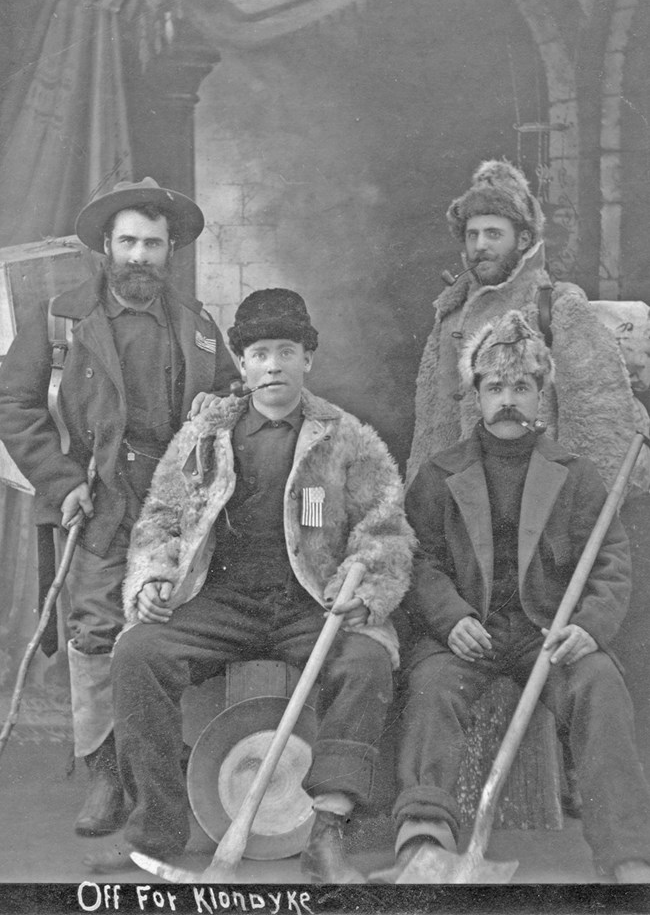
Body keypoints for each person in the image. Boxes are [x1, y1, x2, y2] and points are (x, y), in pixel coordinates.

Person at [83, 288, 415, 881]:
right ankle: (154, 831)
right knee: (137, 651)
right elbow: (162, 516)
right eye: (259, 353)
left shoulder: (346, 438)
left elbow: (385, 527)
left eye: (287, 350)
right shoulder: (205, 437)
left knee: (366, 661)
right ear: (241, 364)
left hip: (309, 604)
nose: (273, 365)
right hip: (220, 603)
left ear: (308, 359)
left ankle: (327, 834)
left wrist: (362, 588)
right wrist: (156, 577)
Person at [374, 309, 650, 884]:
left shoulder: (576, 476)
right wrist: (449, 618)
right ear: (475, 394)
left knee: (601, 684)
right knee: (430, 688)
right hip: (465, 633)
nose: (508, 400)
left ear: (541, 395)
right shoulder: (439, 472)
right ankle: (423, 839)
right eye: (495, 386)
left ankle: (626, 854)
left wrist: (589, 627)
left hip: (546, 636)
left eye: (521, 387)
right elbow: (418, 557)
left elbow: (610, 562)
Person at [0, 178, 239, 837]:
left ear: (169, 253)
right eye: (129, 241)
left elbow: (230, 399)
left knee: (162, 633)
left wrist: (218, 413)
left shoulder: (197, 326)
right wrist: (61, 481)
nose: (140, 256)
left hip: (175, 517)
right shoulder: (61, 320)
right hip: (99, 503)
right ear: (107, 245)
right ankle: (104, 772)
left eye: (153, 244)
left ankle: (156, 764)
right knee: (96, 633)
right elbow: (13, 404)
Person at [407, 159, 643, 493]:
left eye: (493, 233)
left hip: (539, 510)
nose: (480, 246)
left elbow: (601, 428)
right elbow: (428, 435)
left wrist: (580, 519)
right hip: (457, 512)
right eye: (472, 234)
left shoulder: (556, 308)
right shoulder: (449, 317)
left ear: (523, 239)